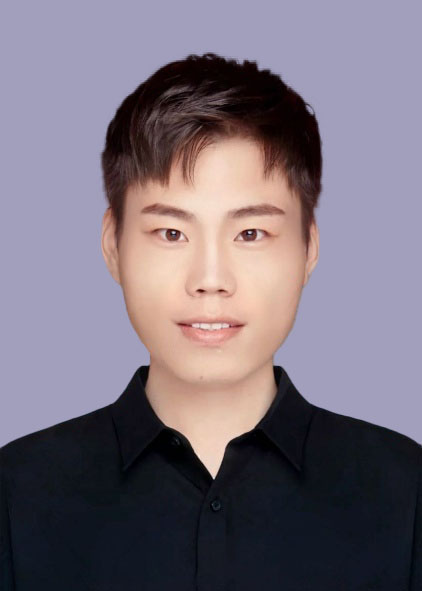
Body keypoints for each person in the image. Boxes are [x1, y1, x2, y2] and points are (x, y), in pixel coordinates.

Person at [0, 52, 420, 590]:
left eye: (250, 234)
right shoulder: (18, 493)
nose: (210, 279)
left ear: (308, 248)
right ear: (113, 245)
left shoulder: (404, 491)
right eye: (171, 233)